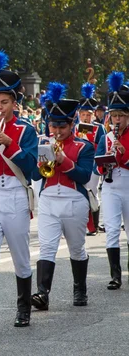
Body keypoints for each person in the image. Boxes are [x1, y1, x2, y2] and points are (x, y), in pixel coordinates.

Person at [0, 51, 38, 332]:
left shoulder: (26, 131)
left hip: (15, 194)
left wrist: (10, 143)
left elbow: (34, 170)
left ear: (14, 103)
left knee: (20, 257)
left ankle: (24, 308)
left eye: (4, 103)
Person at [31, 82, 93, 310]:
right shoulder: (43, 143)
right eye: (53, 126)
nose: (56, 132)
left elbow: (85, 176)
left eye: (61, 127)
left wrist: (64, 160)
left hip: (74, 200)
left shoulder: (83, 146)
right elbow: (33, 173)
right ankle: (42, 293)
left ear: (71, 124)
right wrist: (38, 164)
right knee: (47, 247)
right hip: (48, 199)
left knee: (76, 248)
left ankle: (80, 288)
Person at [94, 72, 129, 290]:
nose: (117, 120)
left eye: (121, 116)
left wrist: (123, 154)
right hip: (110, 186)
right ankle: (115, 275)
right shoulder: (106, 137)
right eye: (114, 116)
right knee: (112, 228)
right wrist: (105, 160)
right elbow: (96, 166)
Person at [76, 83, 106, 235]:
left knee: (93, 192)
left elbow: (103, 146)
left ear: (93, 114)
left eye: (88, 114)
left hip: (93, 164)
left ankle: (94, 225)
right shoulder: (74, 128)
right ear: (79, 115)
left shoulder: (99, 128)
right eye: (83, 114)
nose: (86, 118)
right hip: (78, 164)